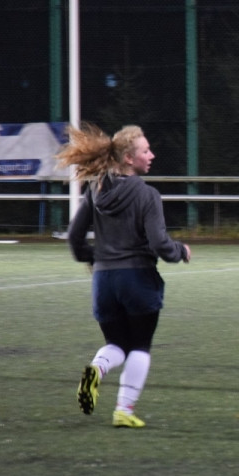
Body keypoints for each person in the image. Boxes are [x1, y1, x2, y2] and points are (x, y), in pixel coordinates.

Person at [56, 122, 191, 428]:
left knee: (115, 342)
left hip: (103, 282)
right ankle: (124, 410)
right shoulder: (147, 194)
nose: (152, 155)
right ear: (129, 158)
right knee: (140, 344)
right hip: (138, 280)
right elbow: (159, 243)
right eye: (146, 150)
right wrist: (179, 251)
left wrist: (94, 257)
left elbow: (75, 238)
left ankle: (97, 370)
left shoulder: (96, 189)